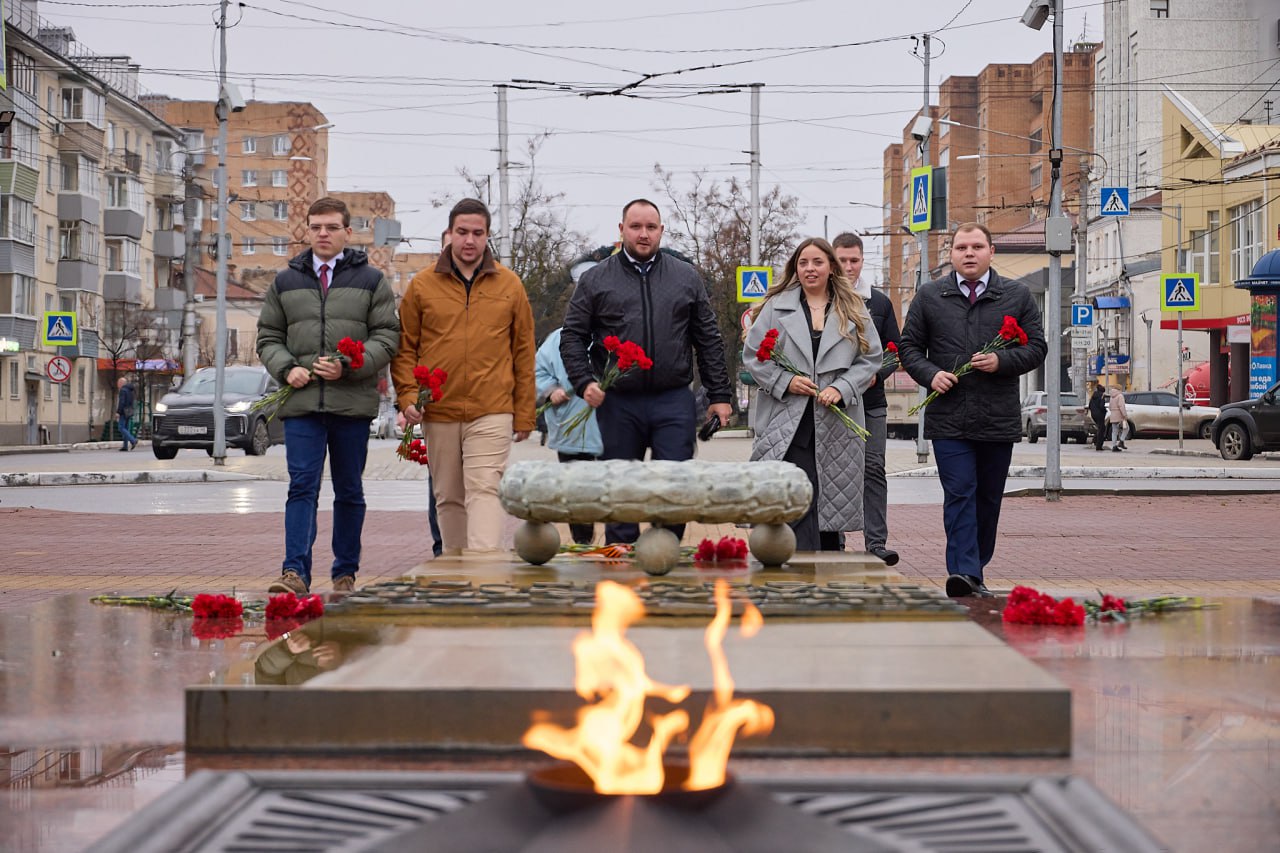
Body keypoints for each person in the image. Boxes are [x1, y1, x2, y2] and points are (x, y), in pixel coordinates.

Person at [560, 198, 733, 545]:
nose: (643, 234)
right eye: (635, 227)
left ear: (661, 231)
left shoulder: (685, 276)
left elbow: (708, 338)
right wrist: (584, 382)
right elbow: (572, 338)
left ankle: (665, 553)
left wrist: (720, 396)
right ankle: (621, 558)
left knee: (675, 484)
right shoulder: (595, 280)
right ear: (621, 229)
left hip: (672, 399)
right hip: (618, 402)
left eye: (650, 227)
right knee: (622, 487)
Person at [256, 197, 400, 595]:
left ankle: (344, 572)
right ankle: (294, 573)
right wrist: (288, 368)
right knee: (302, 485)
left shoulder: (371, 280)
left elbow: (388, 337)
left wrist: (350, 366)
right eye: (316, 226)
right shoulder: (286, 281)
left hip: (351, 404)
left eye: (332, 227)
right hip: (301, 404)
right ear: (307, 229)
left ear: (346, 233)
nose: (323, 233)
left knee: (349, 488)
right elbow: (268, 336)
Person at [898, 222, 1046, 598]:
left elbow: (1037, 348)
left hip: (997, 416)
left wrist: (1002, 361)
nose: (969, 253)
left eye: (977, 246)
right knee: (960, 492)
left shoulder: (1016, 295)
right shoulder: (930, 296)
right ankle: (963, 572)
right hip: (949, 418)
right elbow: (909, 348)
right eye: (961, 247)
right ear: (951, 253)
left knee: (988, 497)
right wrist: (931, 375)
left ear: (991, 252)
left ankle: (975, 567)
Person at [392, 199, 536, 554]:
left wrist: (524, 412)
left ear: (487, 236)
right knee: (449, 495)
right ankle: (455, 571)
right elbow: (405, 348)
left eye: (477, 233)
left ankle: (484, 571)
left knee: (485, 488)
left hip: (492, 408)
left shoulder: (510, 286)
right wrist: (409, 398)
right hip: (438, 410)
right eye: (462, 232)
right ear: (450, 234)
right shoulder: (423, 286)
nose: (469, 240)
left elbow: (523, 352)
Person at [743, 237, 880, 551]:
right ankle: (796, 568)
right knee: (795, 497)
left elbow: (870, 359)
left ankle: (828, 568)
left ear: (831, 267)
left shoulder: (853, 306)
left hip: (836, 419)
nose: (810, 269)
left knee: (831, 502)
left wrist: (841, 388)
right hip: (788, 421)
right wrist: (786, 381)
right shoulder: (777, 306)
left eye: (817, 262)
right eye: (803, 263)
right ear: (795, 268)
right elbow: (753, 356)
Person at [832, 232, 900, 565]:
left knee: (873, 469)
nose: (848, 267)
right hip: (833, 404)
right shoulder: (821, 299)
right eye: (841, 260)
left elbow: (893, 351)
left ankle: (876, 542)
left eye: (854, 260)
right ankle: (836, 540)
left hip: (871, 403)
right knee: (835, 470)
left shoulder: (879, 303)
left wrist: (877, 374)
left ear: (862, 261)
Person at [535, 327, 603, 545]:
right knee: (576, 490)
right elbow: (537, 371)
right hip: (571, 429)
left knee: (611, 489)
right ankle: (583, 542)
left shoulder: (616, 332)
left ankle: (617, 543)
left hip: (610, 428)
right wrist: (551, 390)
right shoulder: (557, 338)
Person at [116, 376, 138, 451]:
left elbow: (122, 402)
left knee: (121, 428)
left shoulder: (123, 390)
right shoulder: (130, 390)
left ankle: (133, 440)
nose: (117, 385)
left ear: (121, 383)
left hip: (123, 411)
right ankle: (125, 446)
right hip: (129, 411)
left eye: (118, 383)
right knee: (126, 428)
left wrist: (118, 412)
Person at [1108, 386, 1129, 452]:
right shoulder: (1120, 396)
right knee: (1126, 428)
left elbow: (1110, 407)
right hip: (1119, 415)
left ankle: (1114, 446)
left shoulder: (1111, 397)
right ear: (1119, 389)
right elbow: (1121, 406)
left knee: (1114, 431)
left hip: (1113, 415)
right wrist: (1125, 415)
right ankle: (1121, 441)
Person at [1088, 384, 1107, 451]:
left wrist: (1094, 411)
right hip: (1100, 415)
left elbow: (1090, 406)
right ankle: (1098, 446)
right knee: (1102, 429)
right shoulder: (1102, 397)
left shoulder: (1093, 396)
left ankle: (1095, 440)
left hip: (1094, 415)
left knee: (1100, 428)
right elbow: (1102, 406)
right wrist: (1105, 410)